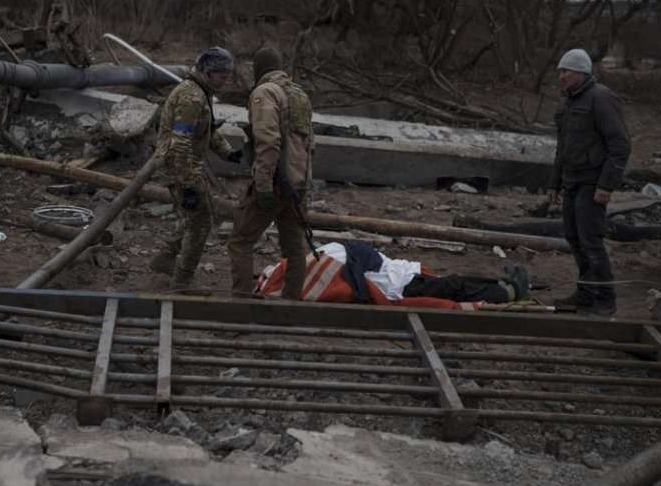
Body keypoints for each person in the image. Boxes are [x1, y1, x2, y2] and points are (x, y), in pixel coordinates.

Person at [149, 47, 243, 288]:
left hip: (187, 166)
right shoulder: (192, 97)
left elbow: (207, 129)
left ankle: (165, 257)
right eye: (222, 77)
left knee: (197, 217)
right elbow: (180, 141)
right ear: (208, 72)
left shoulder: (202, 91)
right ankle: (182, 281)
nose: (226, 82)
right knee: (200, 223)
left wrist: (228, 154)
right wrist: (188, 184)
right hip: (180, 168)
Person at [227, 46, 315, 299]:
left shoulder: (265, 92)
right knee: (294, 248)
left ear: (259, 70)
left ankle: (240, 305)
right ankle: (291, 303)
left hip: (276, 181)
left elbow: (268, 141)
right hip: (298, 184)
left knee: (240, 242)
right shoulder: (299, 94)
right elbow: (310, 143)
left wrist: (263, 183)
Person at [548, 48, 631, 316]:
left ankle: (606, 299)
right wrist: (554, 184)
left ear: (582, 73)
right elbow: (562, 148)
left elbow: (620, 145)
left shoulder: (601, 98)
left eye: (566, 71)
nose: (561, 76)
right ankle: (585, 294)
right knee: (573, 238)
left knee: (591, 240)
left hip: (592, 183)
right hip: (572, 180)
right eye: (560, 71)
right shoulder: (568, 102)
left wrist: (606, 186)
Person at [256, 240, 531, 308]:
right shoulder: (326, 266)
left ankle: (502, 284)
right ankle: (507, 291)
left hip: (390, 274)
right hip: (394, 284)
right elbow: (352, 287)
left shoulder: (318, 261)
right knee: (451, 285)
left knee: (449, 282)